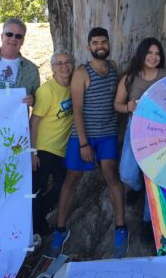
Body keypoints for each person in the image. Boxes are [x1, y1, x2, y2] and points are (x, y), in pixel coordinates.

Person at [49, 27, 128, 258]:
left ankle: (121, 228)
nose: (100, 46)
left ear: (108, 43)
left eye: (103, 42)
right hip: (82, 136)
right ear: (88, 46)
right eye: (95, 43)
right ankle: (60, 229)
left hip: (107, 135)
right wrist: (84, 144)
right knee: (72, 179)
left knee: (112, 176)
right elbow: (77, 110)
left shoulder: (113, 67)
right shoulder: (82, 73)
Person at [114, 37, 166, 243]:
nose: (154, 57)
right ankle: (137, 187)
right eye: (150, 53)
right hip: (135, 129)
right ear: (142, 54)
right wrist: (127, 107)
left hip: (162, 132)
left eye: (157, 54)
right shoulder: (129, 78)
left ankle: (149, 222)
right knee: (127, 173)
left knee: (154, 178)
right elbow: (117, 104)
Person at [30, 51, 74, 239]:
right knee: (37, 189)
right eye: (58, 64)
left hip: (62, 149)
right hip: (43, 148)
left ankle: (40, 216)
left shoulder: (74, 86)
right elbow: (34, 121)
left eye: (67, 62)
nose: (64, 67)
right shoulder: (47, 90)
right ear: (52, 68)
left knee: (62, 186)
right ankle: (36, 226)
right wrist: (33, 152)